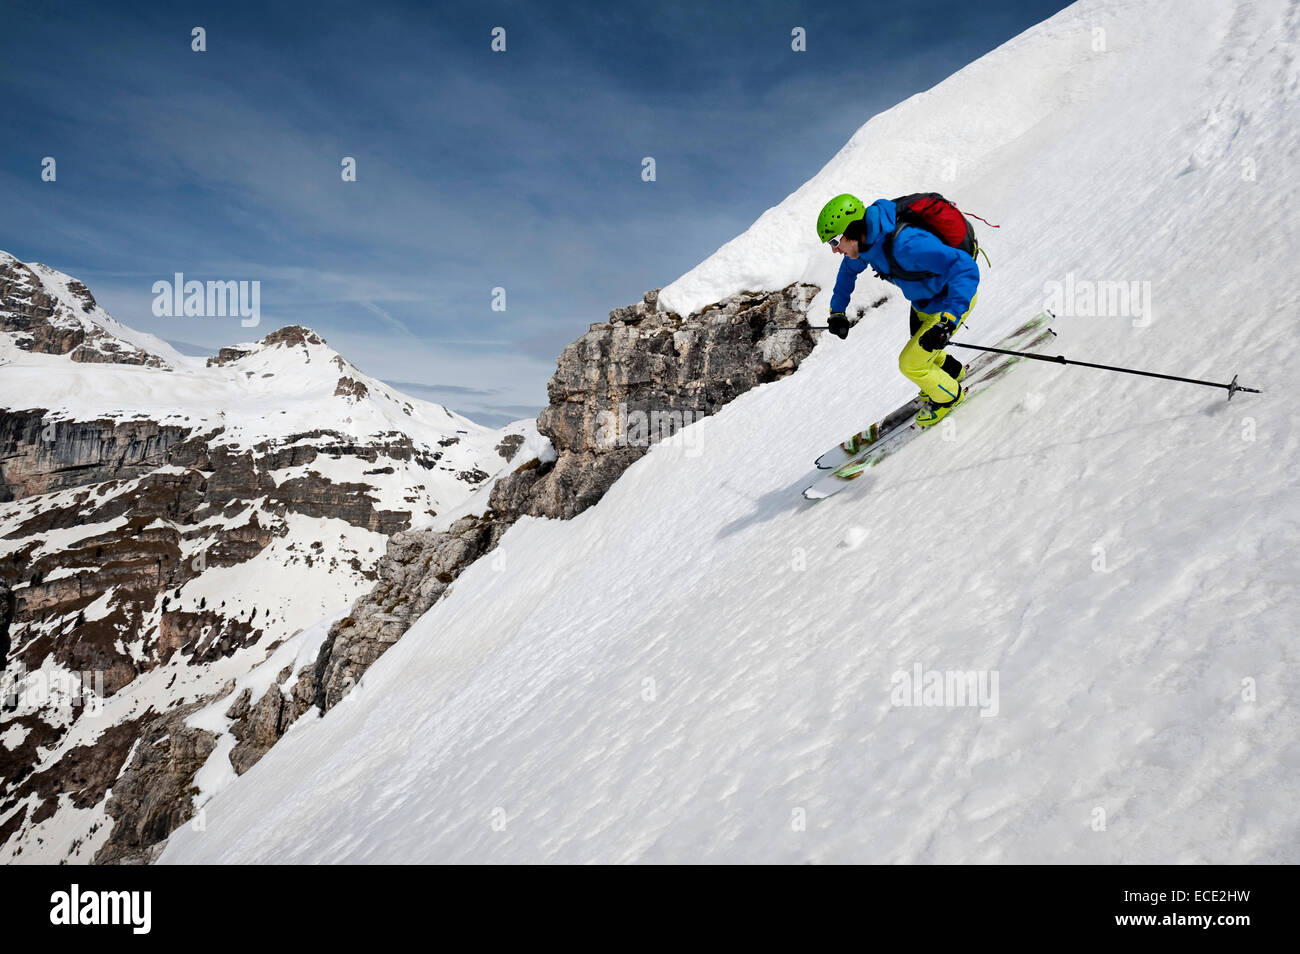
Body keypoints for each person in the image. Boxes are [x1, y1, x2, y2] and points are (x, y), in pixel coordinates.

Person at [816, 193, 981, 427]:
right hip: (924, 303)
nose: (834, 250)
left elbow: (964, 267)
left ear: (850, 230)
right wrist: (837, 313)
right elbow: (847, 273)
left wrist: (949, 320)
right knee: (921, 345)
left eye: (834, 242)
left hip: (949, 302)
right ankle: (952, 372)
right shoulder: (867, 245)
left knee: (911, 363)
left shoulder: (906, 245)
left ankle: (949, 397)